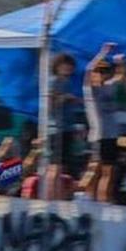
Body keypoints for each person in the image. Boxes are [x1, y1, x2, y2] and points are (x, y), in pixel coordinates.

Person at [83, 43, 122, 202]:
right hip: (99, 134)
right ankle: (88, 197)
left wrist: (120, 63)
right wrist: (103, 52)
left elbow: (120, 77)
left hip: (111, 135)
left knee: (109, 171)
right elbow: (87, 70)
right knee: (95, 168)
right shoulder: (90, 90)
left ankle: (103, 199)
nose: (101, 74)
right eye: (99, 71)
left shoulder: (108, 87)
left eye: (105, 71)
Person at [46, 53, 79, 200]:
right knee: (55, 166)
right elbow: (50, 104)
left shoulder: (69, 83)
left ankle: (58, 195)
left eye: (70, 66)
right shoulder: (54, 82)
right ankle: (51, 196)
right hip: (56, 128)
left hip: (67, 127)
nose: (67, 68)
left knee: (63, 166)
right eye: (64, 65)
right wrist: (65, 98)